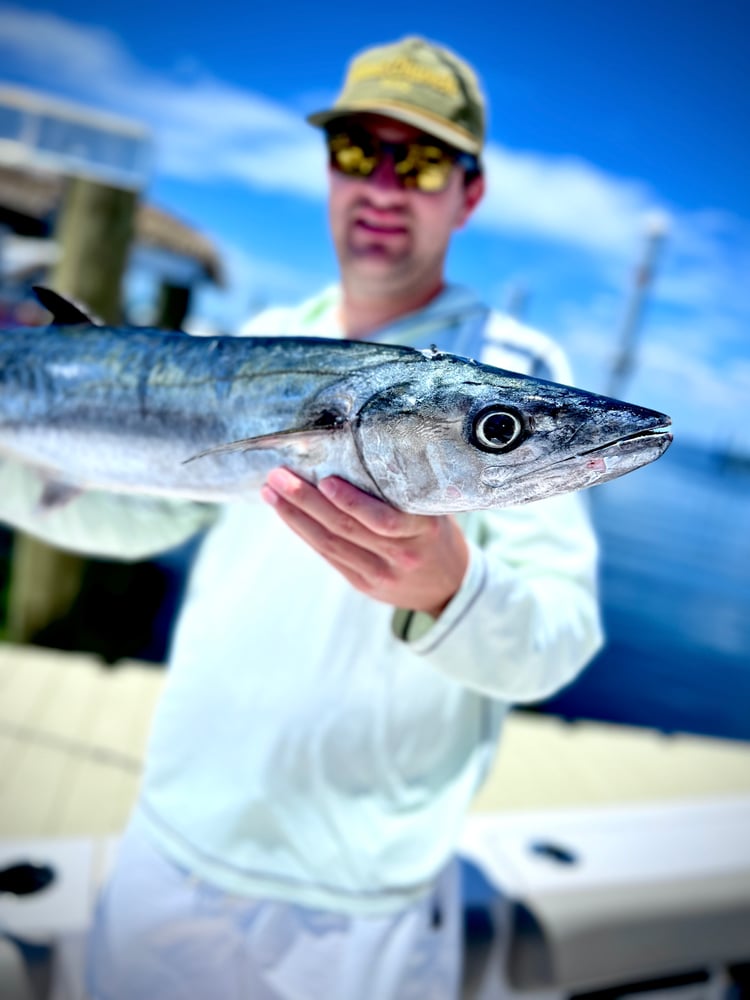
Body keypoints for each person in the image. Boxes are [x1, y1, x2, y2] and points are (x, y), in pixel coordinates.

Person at [0, 36, 603, 999]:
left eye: (424, 160)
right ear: (329, 170)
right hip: (172, 845)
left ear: (470, 194)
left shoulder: (522, 380)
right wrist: (17, 478)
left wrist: (453, 590)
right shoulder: (259, 333)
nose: (385, 184)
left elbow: (558, 641)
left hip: (362, 904)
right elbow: (145, 517)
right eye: (360, 151)